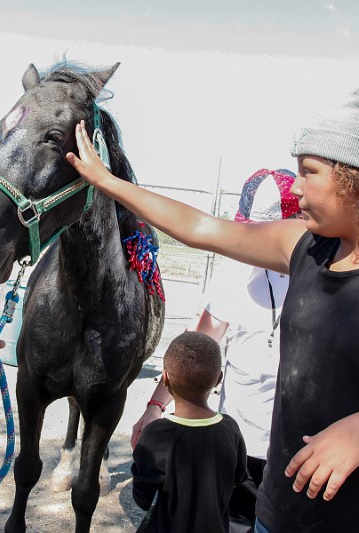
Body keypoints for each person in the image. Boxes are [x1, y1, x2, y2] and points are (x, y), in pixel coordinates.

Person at [67, 78, 359, 531]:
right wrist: (107, 182)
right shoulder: (305, 247)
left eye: (309, 171)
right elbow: (200, 228)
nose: (297, 188)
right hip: (278, 517)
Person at [132, 168, 300, 532]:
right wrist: (154, 405)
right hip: (241, 442)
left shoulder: (321, 274)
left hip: (296, 451)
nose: (254, 240)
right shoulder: (233, 272)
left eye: (266, 232)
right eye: (248, 229)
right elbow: (195, 345)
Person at [132, 331, 248, 533]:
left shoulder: (155, 435)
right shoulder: (230, 428)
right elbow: (238, 478)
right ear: (219, 379)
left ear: (165, 379)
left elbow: (143, 498)